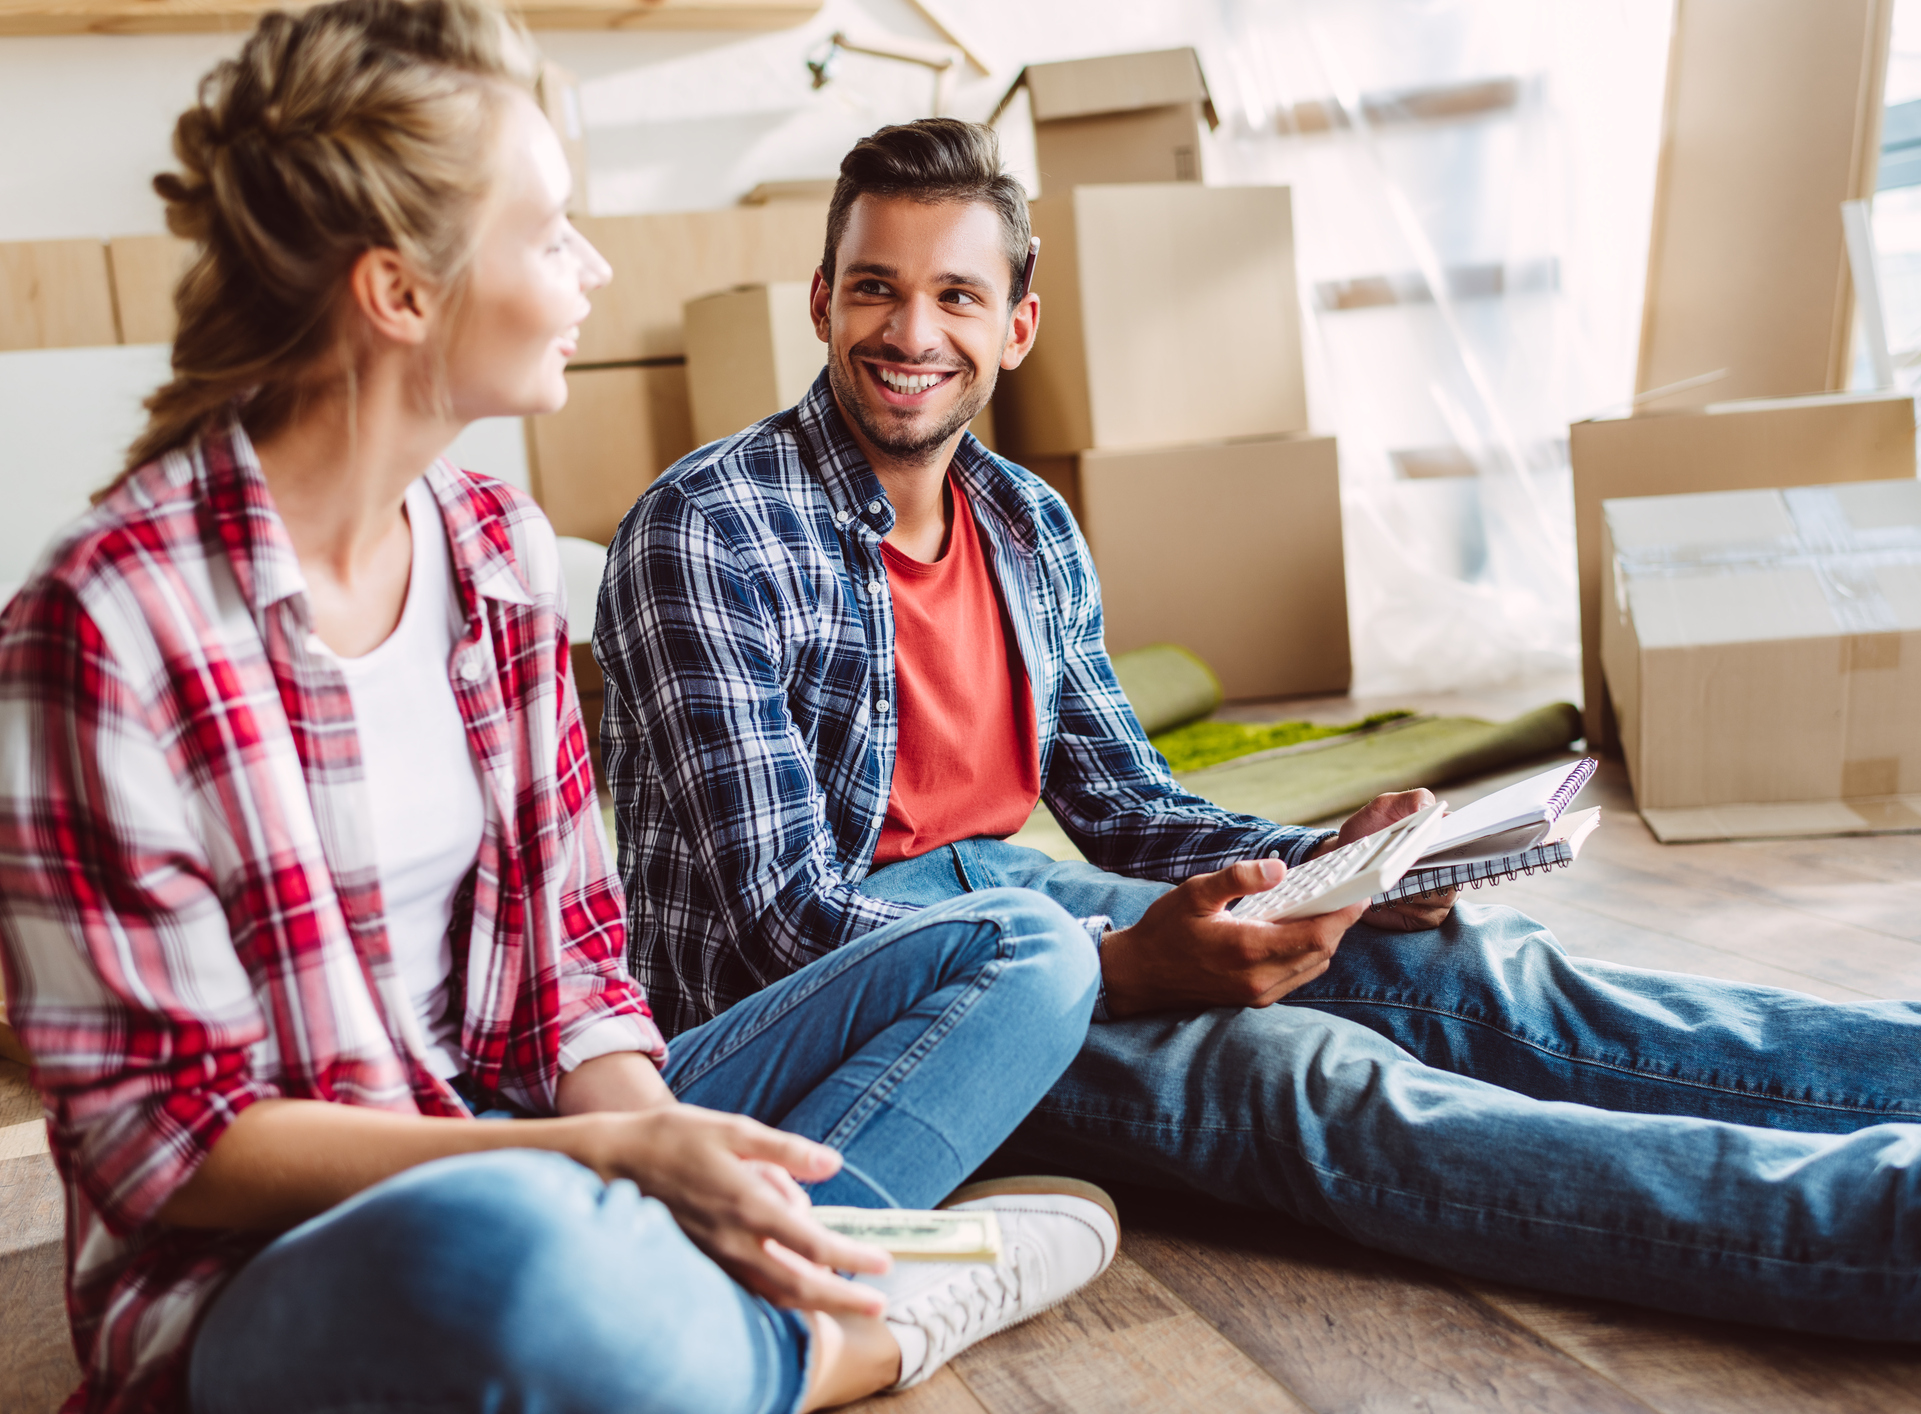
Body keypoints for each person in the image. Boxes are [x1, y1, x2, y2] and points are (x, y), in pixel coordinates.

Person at [597, 112, 1921, 1353]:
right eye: (873, 287)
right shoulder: (710, 527)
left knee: (1449, 968)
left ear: (1016, 325)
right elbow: (779, 924)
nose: (907, 330)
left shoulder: (1025, 523)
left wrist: (1328, 862)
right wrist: (1136, 967)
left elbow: (1124, 801)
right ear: (821, 302)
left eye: (952, 295)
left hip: (1003, 894)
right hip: (860, 1002)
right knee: (1301, 1081)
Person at [0, 16, 1121, 1414]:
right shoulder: (105, 624)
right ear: (401, 291)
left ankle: (729, 1287)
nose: (591, 269)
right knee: (508, 1253)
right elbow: (169, 1144)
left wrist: (657, 1148)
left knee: (1033, 945)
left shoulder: (494, 548)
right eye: (551, 235)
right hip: (277, 1262)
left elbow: (572, 976)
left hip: (538, 1143)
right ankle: (845, 1327)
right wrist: (593, 1169)